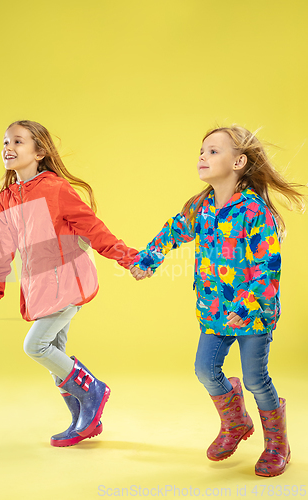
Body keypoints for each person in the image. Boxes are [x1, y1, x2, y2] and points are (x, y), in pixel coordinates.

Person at [130, 126, 305, 477]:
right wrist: (149, 259)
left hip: (253, 314)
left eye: (213, 151)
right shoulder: (201, 207)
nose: (202, 156)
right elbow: (173, 231)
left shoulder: (254, 211)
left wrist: (248, 306)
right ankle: (236, 422)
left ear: (239, 161)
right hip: (213, 309)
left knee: (256, 380)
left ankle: (277, 442)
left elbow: (268, 267)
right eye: (202, 151)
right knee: (205, 370)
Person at [0, 120, 139, 447]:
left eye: (18, 142)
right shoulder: (8, 197)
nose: (8, 147)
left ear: (39, 152)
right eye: (6, 142)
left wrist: (128, 257)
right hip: (39, 287)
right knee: (55, 353)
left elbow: (93, 228)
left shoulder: (55, 189)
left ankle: (93, 390)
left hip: (68, 281)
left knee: (36, 346)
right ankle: (83, 421)